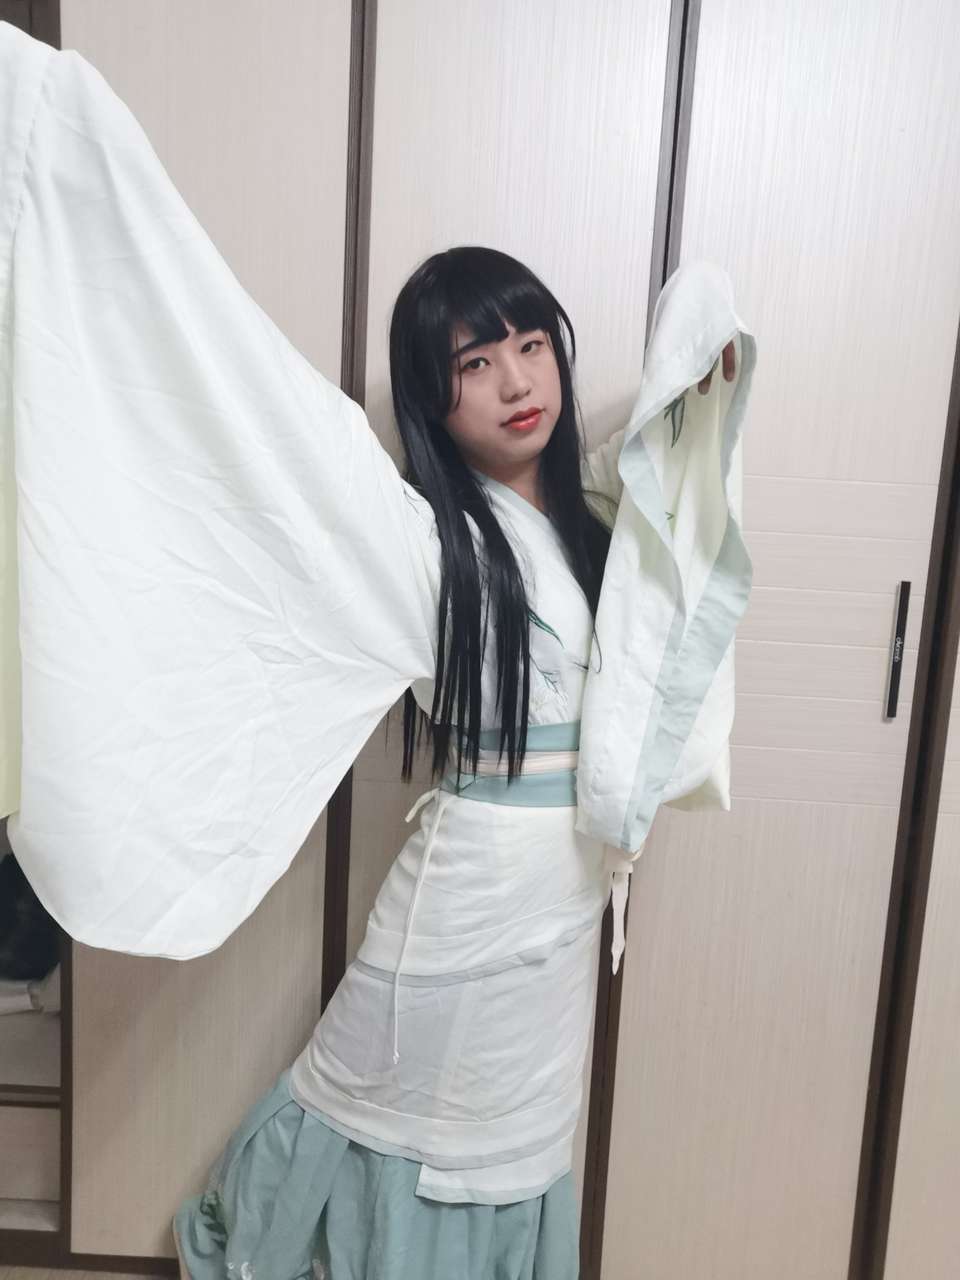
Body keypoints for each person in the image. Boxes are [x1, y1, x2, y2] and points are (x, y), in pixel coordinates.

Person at [0, 21, 747, 1280]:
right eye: (474, 361)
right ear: (430, 397)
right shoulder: (420, 538)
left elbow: (681, 434)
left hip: (562, 913)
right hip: (466, 905)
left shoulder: (595, 521)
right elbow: (250, 399)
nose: (515, 378)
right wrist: (55, 126)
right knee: (402, 1129)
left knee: (518, 1136)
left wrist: (707, 394)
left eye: (530, 343)